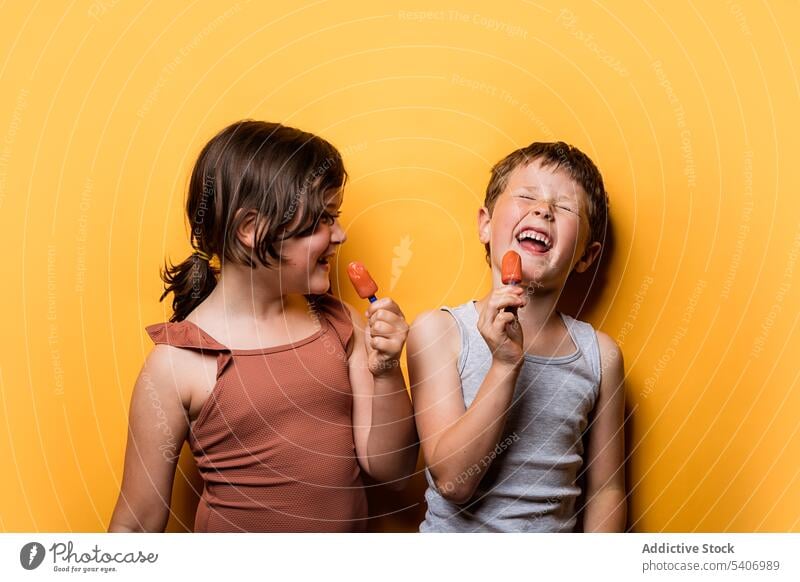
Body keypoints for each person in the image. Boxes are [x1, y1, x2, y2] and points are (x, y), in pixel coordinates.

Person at [108, 120, 418, 532]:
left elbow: (391, 470)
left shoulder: (341, 325)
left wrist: (387, 372)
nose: (340, 234)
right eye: (324, 218)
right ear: (251, 229)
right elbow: (136, 524)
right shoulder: (177, 363)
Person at [408, 142, 626, 532]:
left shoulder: (600, 355)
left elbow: (606, 490)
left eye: (565, 207)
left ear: (586, 256)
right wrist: (505, 365)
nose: (543, 209)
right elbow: (454, 482)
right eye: (526, 196)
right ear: (485, 224)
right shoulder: (438, 332)